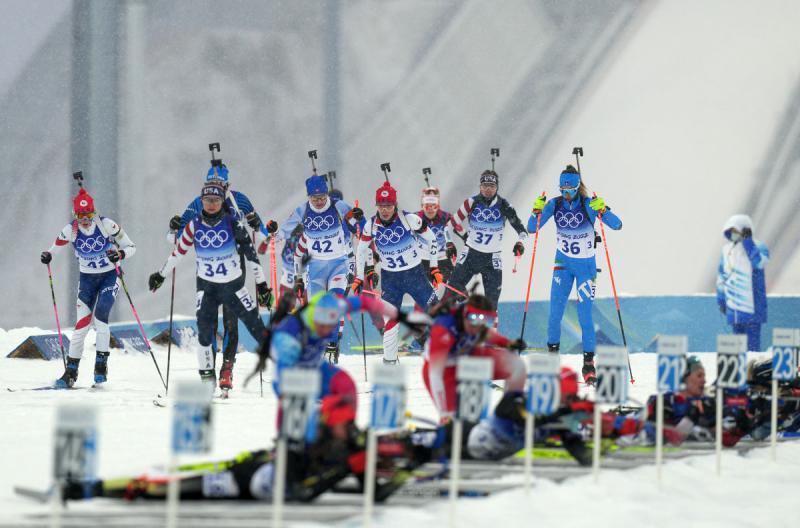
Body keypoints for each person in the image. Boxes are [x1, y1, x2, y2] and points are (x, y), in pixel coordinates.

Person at [167, 158, 277, 392]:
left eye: (221, 185)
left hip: (235, 266)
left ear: (228, 185)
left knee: (231, 320)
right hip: (207, 271)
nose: (217, 190)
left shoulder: (239, 200)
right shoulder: (199, 203)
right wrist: (173, 226)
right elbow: (176, 238)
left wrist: (264, 227)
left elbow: (262, 234)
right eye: (212, 184)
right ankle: (208, 374)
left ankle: (227, 369)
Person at [259, 291, 429, 416]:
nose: (326, 331)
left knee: (346, 385)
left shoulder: (334, 308)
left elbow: (367, 303)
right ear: (313, 319)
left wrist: (401, 316)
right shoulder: (288, 336)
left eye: (330, 326)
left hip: (315, 365)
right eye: (322, 326)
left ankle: (344, 431)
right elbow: (285, 381)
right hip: (290, 375)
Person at [528, 165, 622, 384]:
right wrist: (536, 211)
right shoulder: (555, 204)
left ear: (578, 187)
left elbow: (617, 225)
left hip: (585, 269)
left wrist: (603, 210)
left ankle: (588, 364)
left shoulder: (588, 205)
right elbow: (532, 228)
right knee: (555, 313)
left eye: (570, 190)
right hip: (563, 265)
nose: (566, 194)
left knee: (585, 315)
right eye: (563, 189)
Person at [40, 188, 137, 388]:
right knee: (80, 327)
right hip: (87, 281)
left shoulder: (107, 225)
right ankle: (70, 372)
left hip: (110, 277)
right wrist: (48, 255)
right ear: (75, 215)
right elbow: (54, 249)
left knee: (101, 316)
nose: (85, 219)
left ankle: (101, 366)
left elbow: (131, 247)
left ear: (94, 213)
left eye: (88, 215)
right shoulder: (71, 230)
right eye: (80, 215)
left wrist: (119, 254)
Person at [352, 181, 439, 364]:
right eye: (381, 206)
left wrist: (434, 267)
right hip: (391, 280)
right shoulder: (371, 225)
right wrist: (359, 277)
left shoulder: (409, 219)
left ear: (395, 205)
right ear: (376, 205)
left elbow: (432, 239)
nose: (385, 210)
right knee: (391, 324)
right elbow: (361, 250)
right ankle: (390, 364)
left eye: (389, 206)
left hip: (415, 276)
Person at [279, 175, 363, 359]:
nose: (318, 202)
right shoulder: (302, 210)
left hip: (338, 265)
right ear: (308, 197)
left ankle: (332, 342)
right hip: (315, 269)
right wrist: (299, 279)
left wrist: (360, 221)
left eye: (322, 197)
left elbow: (358, 222)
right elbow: (291, 243)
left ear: (327, 195)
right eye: (314, 198)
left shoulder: (337, 205)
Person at [422, 294, 527, 420]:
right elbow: (435, 375)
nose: (477, 327)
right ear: (465, 315)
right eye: (474, 319)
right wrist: (445, 412)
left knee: (516, 366)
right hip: (444, 369)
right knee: (454, 419)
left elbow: (486, 333)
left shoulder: (476, 324)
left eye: (485, 321)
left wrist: (507, 343)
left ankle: (510, 412)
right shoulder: (443, 329)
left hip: (468, 357)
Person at [446, 170, 528, 310]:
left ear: (497, 187)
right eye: (485, 185)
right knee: (450, 292)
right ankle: (444, 325)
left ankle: (490, 330)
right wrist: (449, 243)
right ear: (480, 186)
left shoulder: (504, 206)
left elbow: (522, 231)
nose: (488, 189)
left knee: (492, 305)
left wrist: (520, 243)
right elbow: (448, 226)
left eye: (492, 185)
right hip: (470, 255)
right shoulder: (471, 202)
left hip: (492, 259)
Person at [716, 214, 769, 352]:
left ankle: (751, 372)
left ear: (745, 229)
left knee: (752, 349)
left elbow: (759, 263)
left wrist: (748, 243)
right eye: (730, 231)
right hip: (734, 309)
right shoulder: (726, 251)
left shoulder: (759, 246)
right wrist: (722, 300)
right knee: (737, 349)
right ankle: (739, 372)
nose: (733, 234)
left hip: (752, 308)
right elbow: (722, 276)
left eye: (735, 230)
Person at [416, 185, 458, 284]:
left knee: (456, 285)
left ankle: (458, 298)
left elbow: (459, 230)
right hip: (424, 260)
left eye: (434, 206)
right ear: (422, 205)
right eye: (427, 206)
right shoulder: (416, 218)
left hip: (442, 258)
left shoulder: (446, 217)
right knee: (424, 290)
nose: (430, 209)